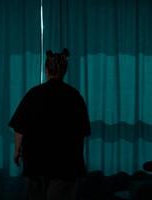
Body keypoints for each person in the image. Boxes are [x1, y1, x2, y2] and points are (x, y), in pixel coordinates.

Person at [9, 48, 91, 200]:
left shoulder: (33, 94)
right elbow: (83, 132)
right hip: (67, 165)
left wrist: (17, 151)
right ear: (64, 71)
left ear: (46, 70)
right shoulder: (75, 97)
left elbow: (19, 126)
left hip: (36, 163)